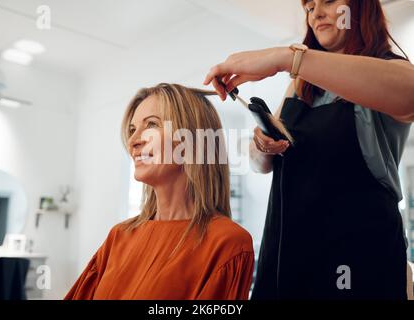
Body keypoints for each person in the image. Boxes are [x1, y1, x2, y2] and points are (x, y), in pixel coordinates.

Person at [204, 0, 414, 299]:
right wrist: (263, 147)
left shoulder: (388, 69)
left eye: (328, 1)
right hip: (288, 247)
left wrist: (283, 58)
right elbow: (258, 164)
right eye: (309, 6)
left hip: (357, 252)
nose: (315, 12)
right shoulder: (301, 86)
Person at [65, 83, 254, 300]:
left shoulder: (228, 244)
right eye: (132, 130)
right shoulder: (119, 236)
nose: (133, 141)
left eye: (151, 124)